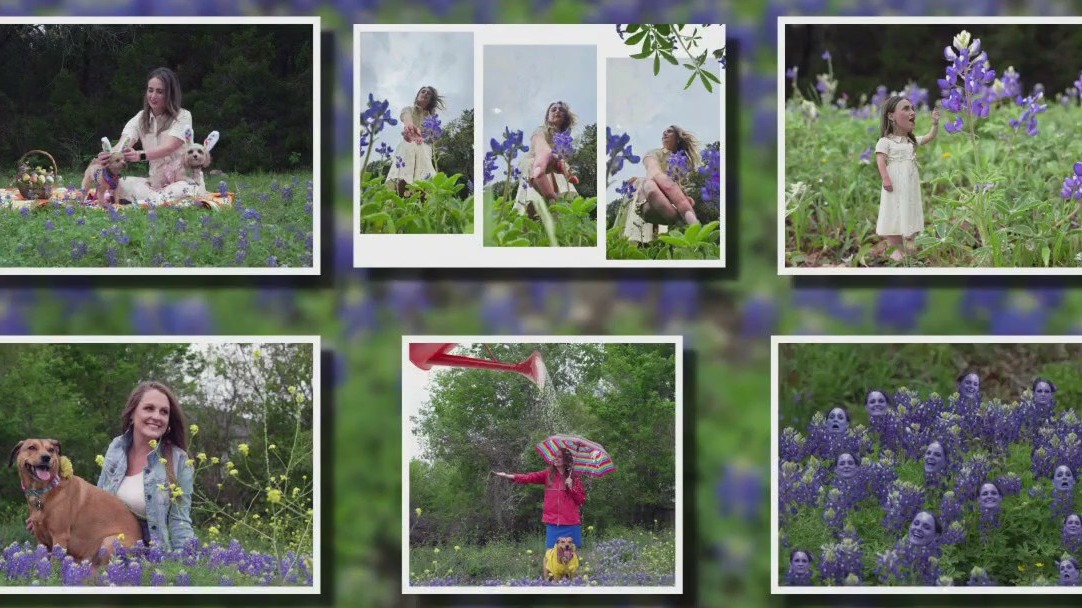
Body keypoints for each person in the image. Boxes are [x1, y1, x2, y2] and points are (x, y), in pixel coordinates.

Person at [96, 381, 196, 550]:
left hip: (152, 559)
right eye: (149, 408)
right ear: (132, 414)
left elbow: (180, 522)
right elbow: (96, 504)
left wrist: (185, 567)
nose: (157, 416)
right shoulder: (116, 448)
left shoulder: (179, 460)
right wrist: (47, 518)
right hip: (107, 553)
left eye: (164, 412)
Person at [98, 67, 203, 206]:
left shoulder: (183, 116)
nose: (153, 96)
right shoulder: (140, 118)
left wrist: (140, 155)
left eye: (160, 92)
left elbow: (169, 147)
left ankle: (148, 201)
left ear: (170, 94)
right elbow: (124, 143)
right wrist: (110, 155)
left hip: (183, 181)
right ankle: (153, 200)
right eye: (150, 90)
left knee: (181, 190)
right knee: (120, 183)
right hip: (156, 184)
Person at [493, 447, 586, 570]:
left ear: (566, 460)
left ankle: (573, 580)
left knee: (573, 555)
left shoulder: (574, 478)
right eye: (555, 456)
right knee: (550, 554)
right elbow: (529, 477)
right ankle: (550, 579)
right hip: (553, 521)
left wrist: (572, 487)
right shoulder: (548, 474)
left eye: (559, 457)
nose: (556, 459)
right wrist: (509, 476)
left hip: (570, 521)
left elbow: (581, 500)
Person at [875, 96, 940, 261]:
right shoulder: (885, 141)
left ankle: (907, 244)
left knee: (906, 209)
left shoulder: (910, 141)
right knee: (893, 211)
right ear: (891, 116)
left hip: (909, 185)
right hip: (894, 183)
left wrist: (935, 124)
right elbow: (880, 160)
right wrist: (885, 179)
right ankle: (895, 249)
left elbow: (929, 137)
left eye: (912, 108)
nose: (912, 112)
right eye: (906, 108)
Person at [622, 125, 701, 244]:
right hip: (646, 193)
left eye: (669, 131)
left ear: (678, 137)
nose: (664, 134)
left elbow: (680, 186)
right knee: (634, 240)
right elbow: (653, 168)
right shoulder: (655, 153)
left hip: (667, 202)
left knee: (662, 241)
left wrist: (684, 196)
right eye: (663, 132)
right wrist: (655, 176)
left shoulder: (683, 163)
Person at [514, 101, 579, 217]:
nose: (557, 111)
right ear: (548, 117)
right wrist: (544, 153)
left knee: (562, 206)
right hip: (535, 164)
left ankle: (559, 226)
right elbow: (538, 141)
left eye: (561, 110)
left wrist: (564, 165)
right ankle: (530, 225)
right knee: (534, 203)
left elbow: (563, 160)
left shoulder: (566, 138)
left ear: (565, 117)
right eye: (553, 109)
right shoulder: (541, 130)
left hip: (556, 170)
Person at [385, 85, 445, 196]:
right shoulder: (409, 109)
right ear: (418, 95)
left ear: (431, 99)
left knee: (422, 149)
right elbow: (405, 116)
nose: (426, 93)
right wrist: (409, 126)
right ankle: (400, 192)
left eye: (429, 93)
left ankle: (422, 194)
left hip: (424, 146)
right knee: (408, 146)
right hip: (408, 142)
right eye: (423, 91)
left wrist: (422, 138)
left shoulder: (432, 117)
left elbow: (432, 136)